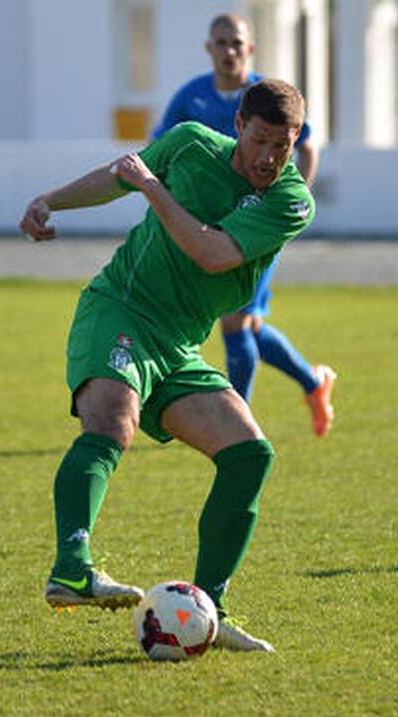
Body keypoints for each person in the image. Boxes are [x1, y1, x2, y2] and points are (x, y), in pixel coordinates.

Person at [19, 79, 315, 653]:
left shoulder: (290, 200)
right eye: (260, 140)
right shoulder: (188, 144)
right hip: (120, 308)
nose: (269, 157)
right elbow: (117, 175)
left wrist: (153, 190)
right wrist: (50, 200)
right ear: (239, 127)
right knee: (110, 423)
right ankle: (74, 568)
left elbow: (213, 254)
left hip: (178, 344)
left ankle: (208, 608)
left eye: (283, 144)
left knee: (249, 453)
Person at [152, 13, 335, 437]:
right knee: (246, 323)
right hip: (210, 229)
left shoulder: (266, 98)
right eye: (221, 43)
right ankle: (313, 381)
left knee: (234, 321)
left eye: (237, 43)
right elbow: (161, 149)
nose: (229, 50)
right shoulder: (191, 96)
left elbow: (306, 146)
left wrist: (279, 206)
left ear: (249, 49)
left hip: (250, 230)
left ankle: (236, 422)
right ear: (209, 48)